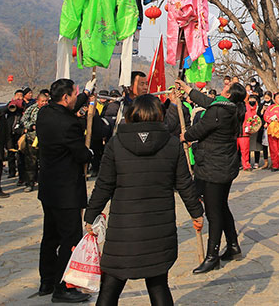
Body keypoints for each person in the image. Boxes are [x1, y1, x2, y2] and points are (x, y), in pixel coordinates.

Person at [84, 94, 203, 306]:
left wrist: (90, 215)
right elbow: (185, 184)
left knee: (110, 287)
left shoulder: (116, 143)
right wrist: (196, 213)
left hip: (123, 231)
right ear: (160, 116)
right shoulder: (172, 144)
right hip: (158, 229)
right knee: (158, 285)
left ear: (131, 115)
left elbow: (103, 185)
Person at [180, 79, 246, 273]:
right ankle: (233, 246)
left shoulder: (220, 111)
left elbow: (201, 129)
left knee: (213, 211)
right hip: (223, 165)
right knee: (222, 206)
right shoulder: (228, 108)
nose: (223, 88)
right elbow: (208, 102)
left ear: (228, 95)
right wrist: (188, 90)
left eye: (226, 88)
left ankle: (212, 255)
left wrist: (186, 135)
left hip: (214, 167)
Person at [36, 79, 91, 303]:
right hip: (67, 190)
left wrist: (87, 93)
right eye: (75, 94)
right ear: (66, 97)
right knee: (70, 239)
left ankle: (46, 281)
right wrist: (91, 154)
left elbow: (65, 112)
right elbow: (81, 154)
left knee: (50, 237)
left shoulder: (45, 113)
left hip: (49, 188)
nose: (76, 98)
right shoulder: (69, 125)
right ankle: (63, 286)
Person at [19, 90, 49, 192]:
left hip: (46, 140)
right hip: (32, 139)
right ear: (38, 101)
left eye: (46, 101)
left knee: (45, 163)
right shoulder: (31, 109)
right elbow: (23, 121)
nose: (44, 103)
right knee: (31, 162)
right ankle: (30, 183)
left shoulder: (50, 110)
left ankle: (44, 183)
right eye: (42, 101)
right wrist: (32, 126)